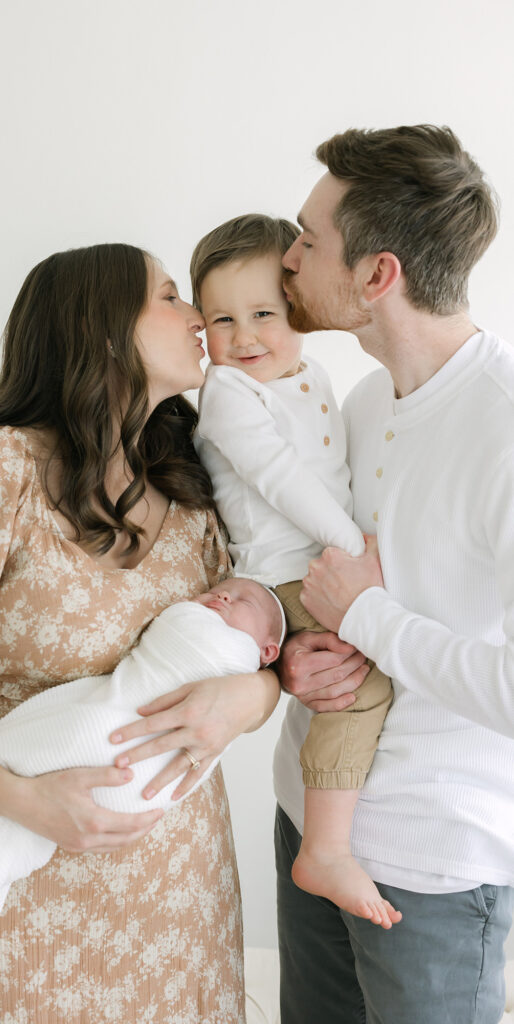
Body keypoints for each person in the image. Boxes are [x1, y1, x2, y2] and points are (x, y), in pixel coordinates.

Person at [0, 245, 281, 1024]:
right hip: (29, 879)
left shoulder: (191, 490)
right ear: (102, 324)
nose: (198, 319)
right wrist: (25, 802)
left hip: (179, 893)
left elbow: (263, 644)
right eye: (170, 296)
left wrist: (250, 696)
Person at [275, 125, 514, 1024]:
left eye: (308, 239)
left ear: (378, 276)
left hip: (431, 874)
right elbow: (330, 596)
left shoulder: (503, 427)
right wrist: (299, 656)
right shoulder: (368, 401)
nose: (288, 259)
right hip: (308, 820)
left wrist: (367, 616)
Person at [0, 577, 285, 1024]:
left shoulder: (207, 514)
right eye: (222, 593)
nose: (222, 595)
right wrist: (18, 797)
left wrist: (258, 690)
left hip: (174, 906)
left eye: (241, 599)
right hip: (28, 889)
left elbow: (279, 662)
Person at [190, 213, 399, 929]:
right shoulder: (229, 394)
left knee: (357, 678)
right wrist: (353, 551)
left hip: (317, 561)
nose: (244, 337)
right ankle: (327, 848)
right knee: (362, 688)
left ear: (297, 311)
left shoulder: (310, 374)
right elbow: (281, 479)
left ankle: (327, 840)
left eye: (263, 315)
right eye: (222, 319)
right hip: (286, 573)